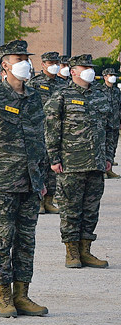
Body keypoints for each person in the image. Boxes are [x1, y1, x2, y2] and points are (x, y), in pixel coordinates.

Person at [0, 39, 49, 317]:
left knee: (26, 241)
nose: (25, 64)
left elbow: (39, 141)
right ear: (5, 64)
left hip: (30, 182)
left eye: (26, 59)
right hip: (3, 181)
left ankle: (23, 295)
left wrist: (41, 181)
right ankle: (4, 296)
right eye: (19, 59)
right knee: (3, 240)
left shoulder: (34, 97)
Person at [45, 53, 114, 269]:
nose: (89, 71)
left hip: (96, 163)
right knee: (70, 209)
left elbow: (111, 129)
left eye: (90, 67)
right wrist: (54, 157)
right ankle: (71, 251)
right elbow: (51, 129)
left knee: (91, 209)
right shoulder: (61, 96)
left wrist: (109, 156)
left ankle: (86, 250)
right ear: (73, 71)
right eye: (85, 67)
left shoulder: (101, 96)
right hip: (71, 164)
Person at [30, 51, 63, 213]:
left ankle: (49, 200)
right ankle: (40, 201)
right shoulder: (35, 84)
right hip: (40, 131)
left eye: (56, 62)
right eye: (51, 63)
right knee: (40, 166)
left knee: (54, 168)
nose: (54, 66)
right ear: (43, 65)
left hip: (57, 132)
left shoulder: (63, 84)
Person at [100, 67, 120, 179]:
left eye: (114, 75)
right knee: (103, 146)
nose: (113, 77)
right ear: (105, 77)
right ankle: (103, 170)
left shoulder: (117, 91)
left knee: (113, 146)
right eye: (110, 75)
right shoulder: (100, 91)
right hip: (104, 124)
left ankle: (110, 169)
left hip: (115, 123)